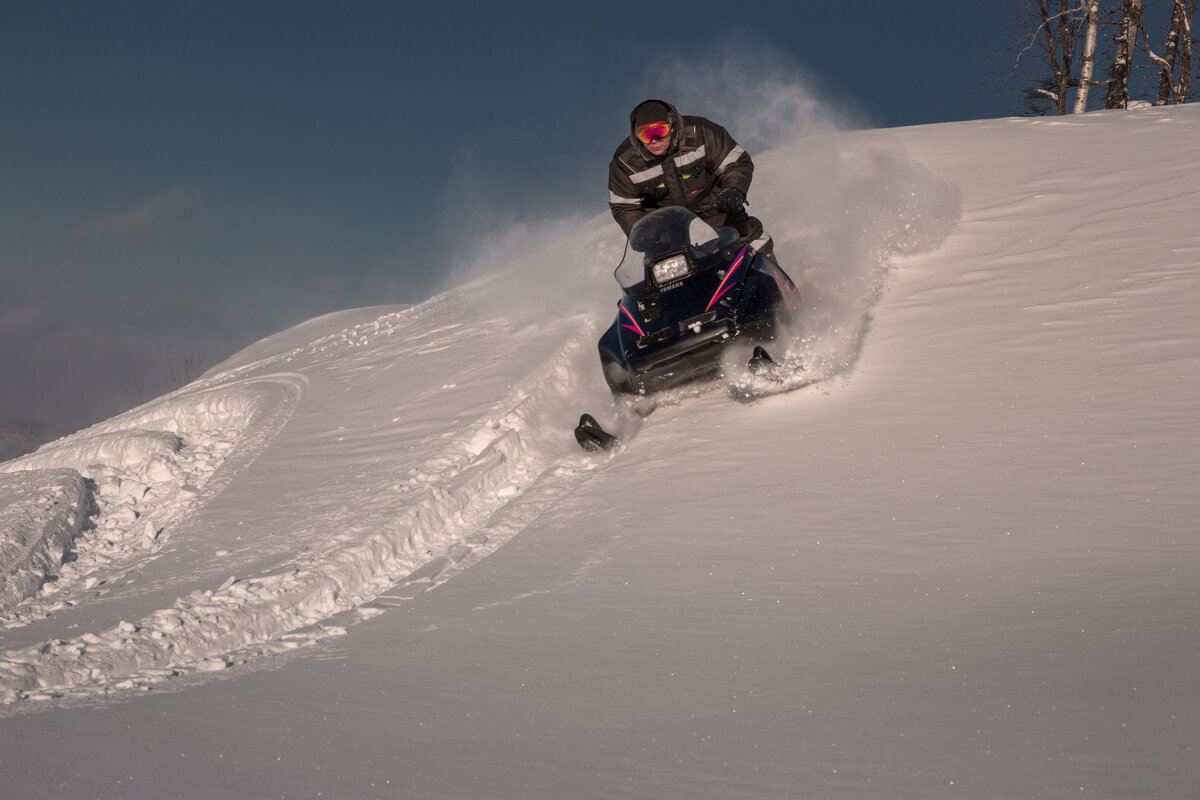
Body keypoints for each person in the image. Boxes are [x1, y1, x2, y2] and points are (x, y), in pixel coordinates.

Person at [608, 99, 773, 257]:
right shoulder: (625, 162)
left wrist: (733, 189)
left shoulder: (701, 132)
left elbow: (735, 162)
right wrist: (641, 232)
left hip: (717, 207)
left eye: (660, 131)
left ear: (672, 126)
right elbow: (624, 206)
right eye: (645, 134)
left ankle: (776, 281)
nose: (654, 140)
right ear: (636, 136)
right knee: (660, 270)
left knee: (751, 239)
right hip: (666, 227)